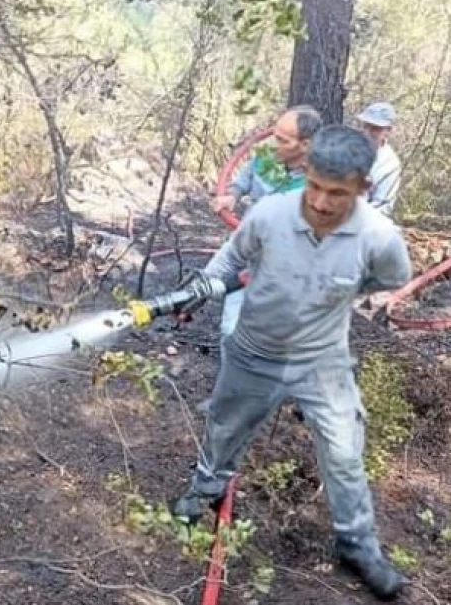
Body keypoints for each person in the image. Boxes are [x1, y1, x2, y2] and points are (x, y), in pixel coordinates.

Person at [173, 124, 413, 601]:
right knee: (224, 427)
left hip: (322, 361)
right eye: (315, 186)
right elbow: (229, 258)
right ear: (306, 173)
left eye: (337, 193)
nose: (321, 203)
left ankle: (357, 546)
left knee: (344, 455)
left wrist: (336, 293)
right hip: (254, 350)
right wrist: (198, 292)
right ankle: (205, 489)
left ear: (363, 188)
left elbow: (389, 278)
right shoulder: (270, 214)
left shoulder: (380, 238)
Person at [210, 105, 323, 340]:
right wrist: (232, 195)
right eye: (274, 135)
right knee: (202, 286)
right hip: (243, 245)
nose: (273, 143)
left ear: (306, 145)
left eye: (282, 140)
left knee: (237, 331)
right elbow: (244, 179)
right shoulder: (267, 157)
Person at [356, 102, 403, 218]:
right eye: (366, 126)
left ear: (388, 131)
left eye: (375, 129)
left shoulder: (390, 165)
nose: (367, 132)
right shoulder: (348, 147)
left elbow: (383, 207)